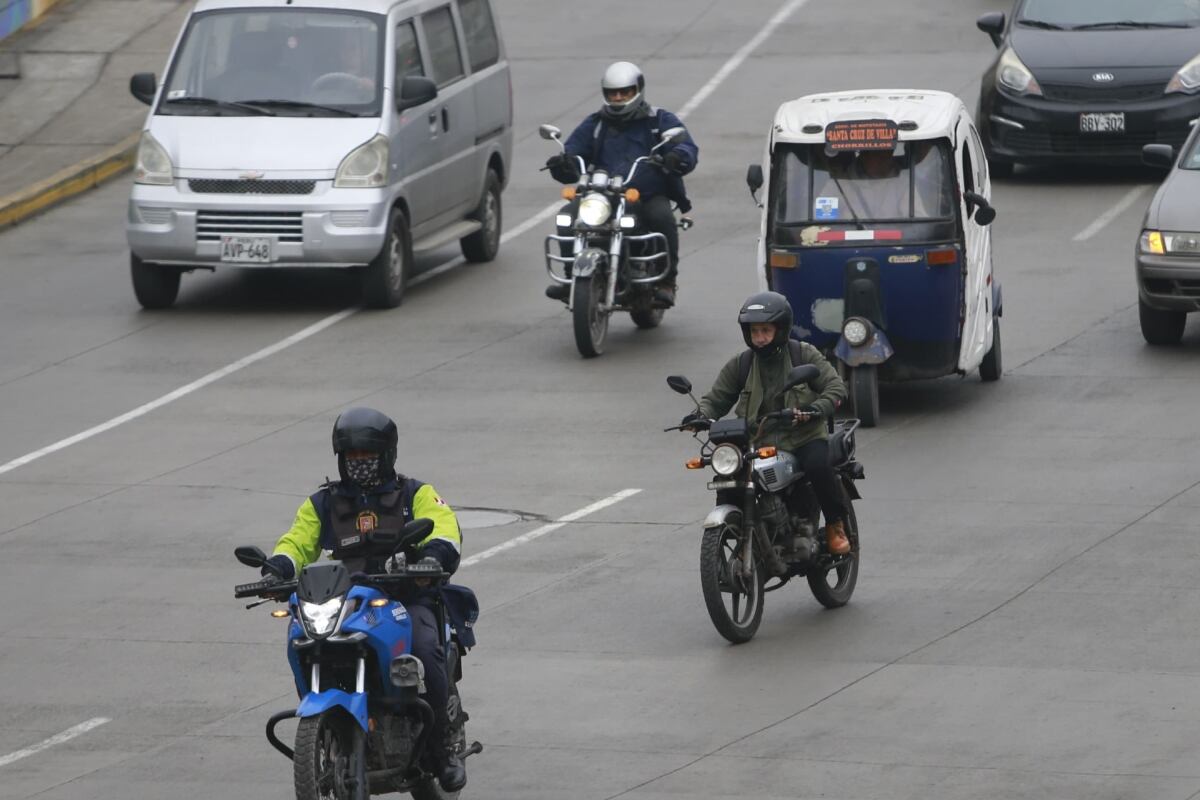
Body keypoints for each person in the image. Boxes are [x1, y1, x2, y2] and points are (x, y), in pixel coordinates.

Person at [260, 407, 467, 793]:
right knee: (303, 638)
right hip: (346, 601)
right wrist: (277, 567)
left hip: (404, 596)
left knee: (424, 648)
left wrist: (432, 556)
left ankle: (441, 752)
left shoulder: (414, 494)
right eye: (352, 458)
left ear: (386, 455)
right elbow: (297, 541)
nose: (359, 465)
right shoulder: (323, 504)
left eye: (367, 457)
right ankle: (329, 726)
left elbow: (445, 527)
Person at [682, 292, 852, 557]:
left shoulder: (802, 354)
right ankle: (737, 536)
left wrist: (813, 409)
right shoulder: (742, 364)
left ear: (780, 329)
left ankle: (835, 524)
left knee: (818, 466)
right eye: (754, 331)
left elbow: (835, 387)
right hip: (756, 440)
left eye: (765, 330)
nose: (759, 337)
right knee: (729, 479)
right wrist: (699, 415)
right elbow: (717, 398)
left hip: (802, 436)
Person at [545, 61, 698, 307]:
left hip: (645, 194)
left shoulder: (659, 120)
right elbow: (574, 150)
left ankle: (666, 282)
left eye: (624, 92)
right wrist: (564, 162)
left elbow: (686, 146)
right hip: (602, 195)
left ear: (638, 90)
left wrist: (677, 156)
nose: (618, 98)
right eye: (612, 93)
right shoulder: (596, 123)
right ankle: (570, 279)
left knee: (663, 219)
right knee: (567, 217)